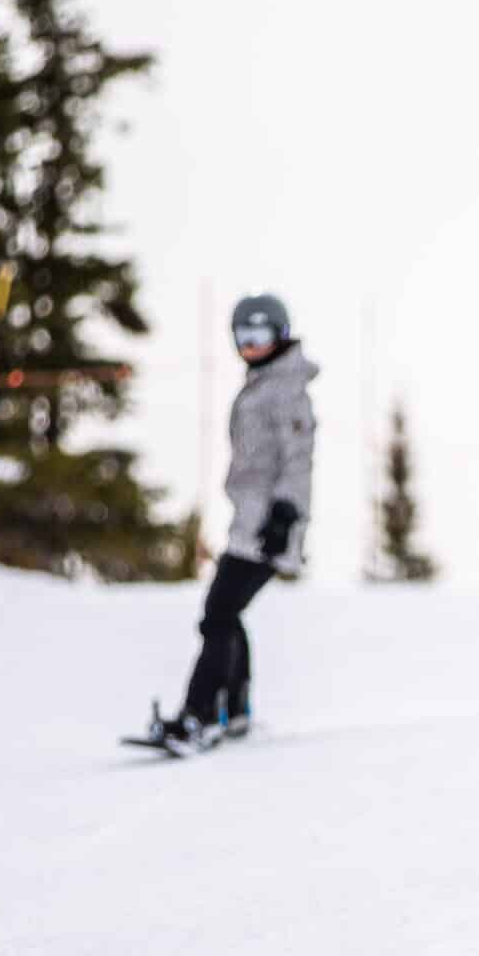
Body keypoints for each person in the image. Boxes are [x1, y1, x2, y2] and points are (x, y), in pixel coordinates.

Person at [166, 292, 316, 748]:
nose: (250, 345)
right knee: (227, 615)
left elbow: (298, 460)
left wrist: (285, 514)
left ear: (280, 335)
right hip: (248, 522)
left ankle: (199, 714)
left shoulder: (285, 389)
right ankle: (234, 711)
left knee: (218, 615)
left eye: (260, 334)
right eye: (242, 336)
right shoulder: (264, 383)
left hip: (269, 526)